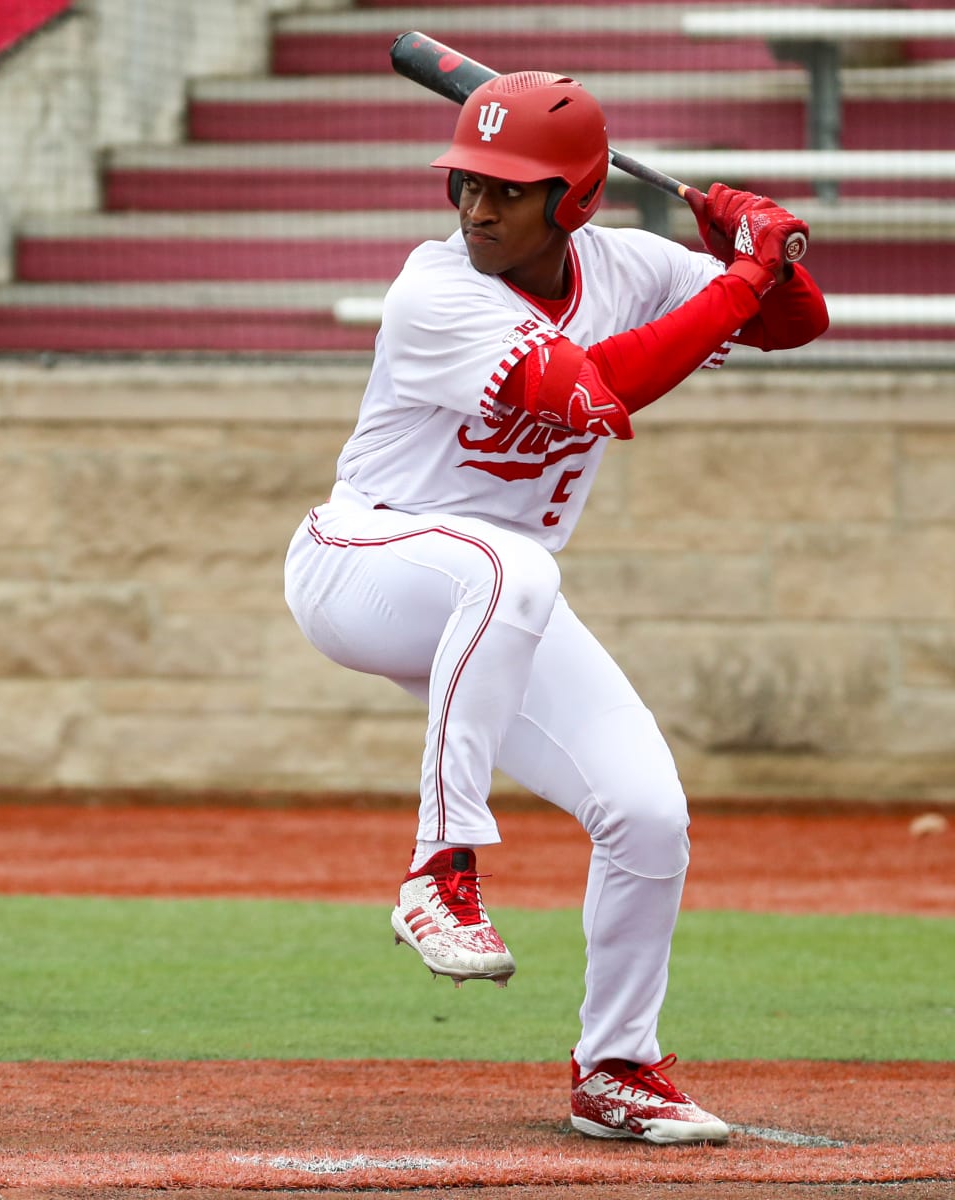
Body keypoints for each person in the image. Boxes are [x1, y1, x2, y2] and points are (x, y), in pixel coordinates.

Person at [283, 71, 828, 1145]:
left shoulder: (629, 266)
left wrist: (769, 244)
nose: (476, 209)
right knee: (514, 567)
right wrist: (741, 273)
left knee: (647, 814)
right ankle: (439, 871)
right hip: (361, 563)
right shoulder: (434, 289)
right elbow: (596, 388)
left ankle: (615, 1066)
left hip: (491, 608)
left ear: (574, 200)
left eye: (507, 189)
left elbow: (793, 327)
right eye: (465, 184)